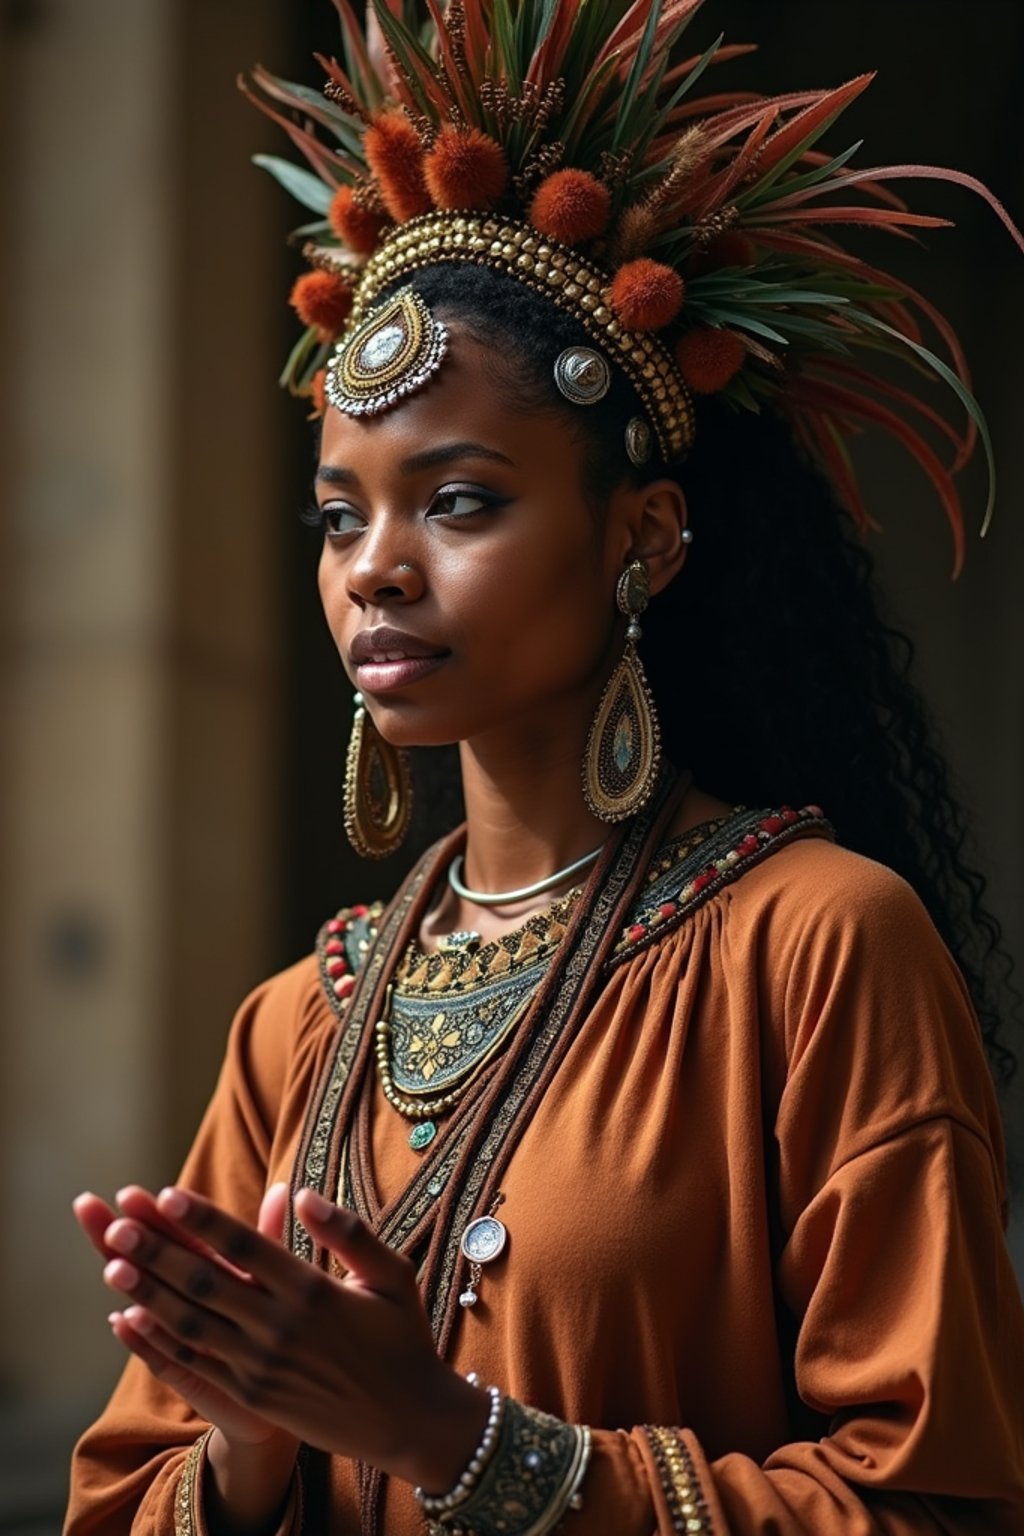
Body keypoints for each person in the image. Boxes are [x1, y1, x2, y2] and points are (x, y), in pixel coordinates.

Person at [66, 3, 1024, 1533]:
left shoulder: (820, 947)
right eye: (339, 516)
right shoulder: (295, 1026)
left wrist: (450, 1438)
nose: (375, 570)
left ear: (640, 536)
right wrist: (248, 1447)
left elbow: (936, 1505)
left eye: (456, 500)